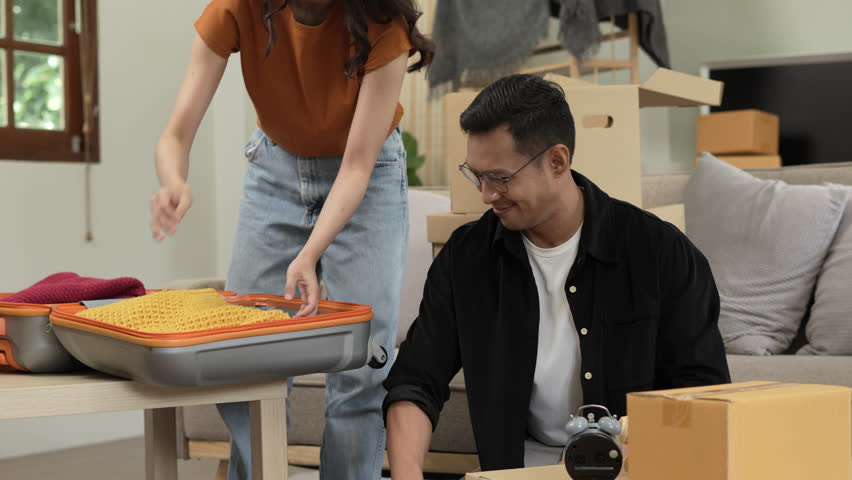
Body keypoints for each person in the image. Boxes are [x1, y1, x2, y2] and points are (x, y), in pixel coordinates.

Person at [383, 74, 730, 477]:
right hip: (518, 468)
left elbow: (703, 392)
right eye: (476, 175)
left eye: (500, 178)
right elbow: (416, 380)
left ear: (557, 162)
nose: (486, 194)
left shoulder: (660, 252)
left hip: (640, 466)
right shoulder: (466, 257)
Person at [150, 1, 434, 478]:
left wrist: (310, 252)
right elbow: (174, 135)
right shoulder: (237, 8)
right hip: (274, 168)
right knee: (242, 357)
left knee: (361, 366)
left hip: (366, 175)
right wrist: (173, 181)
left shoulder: (383, 21)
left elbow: (356, 167)